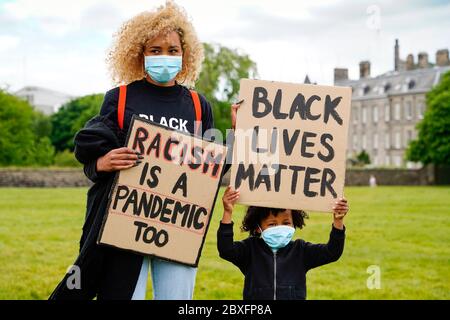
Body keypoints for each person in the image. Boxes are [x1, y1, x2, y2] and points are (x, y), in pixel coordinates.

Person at [50, 2, 224, 300]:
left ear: (185, 54)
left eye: (172, 49)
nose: (164, 56)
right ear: (139, 54)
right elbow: (92, 157)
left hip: (177, 228)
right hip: (126, 223)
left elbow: (207, 168)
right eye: (154, 50)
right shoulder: (119, 98)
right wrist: (103, 162)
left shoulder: (198, 104)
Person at [217, 186, 349, 300]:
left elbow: (332, 252)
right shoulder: (249, 249)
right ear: (258, 227)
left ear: (294, 223)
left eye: (286, 223)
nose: (279, 228)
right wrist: (227, 212)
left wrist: (338, 221)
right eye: (272, 224)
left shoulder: (301, 250)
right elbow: (226, 250)